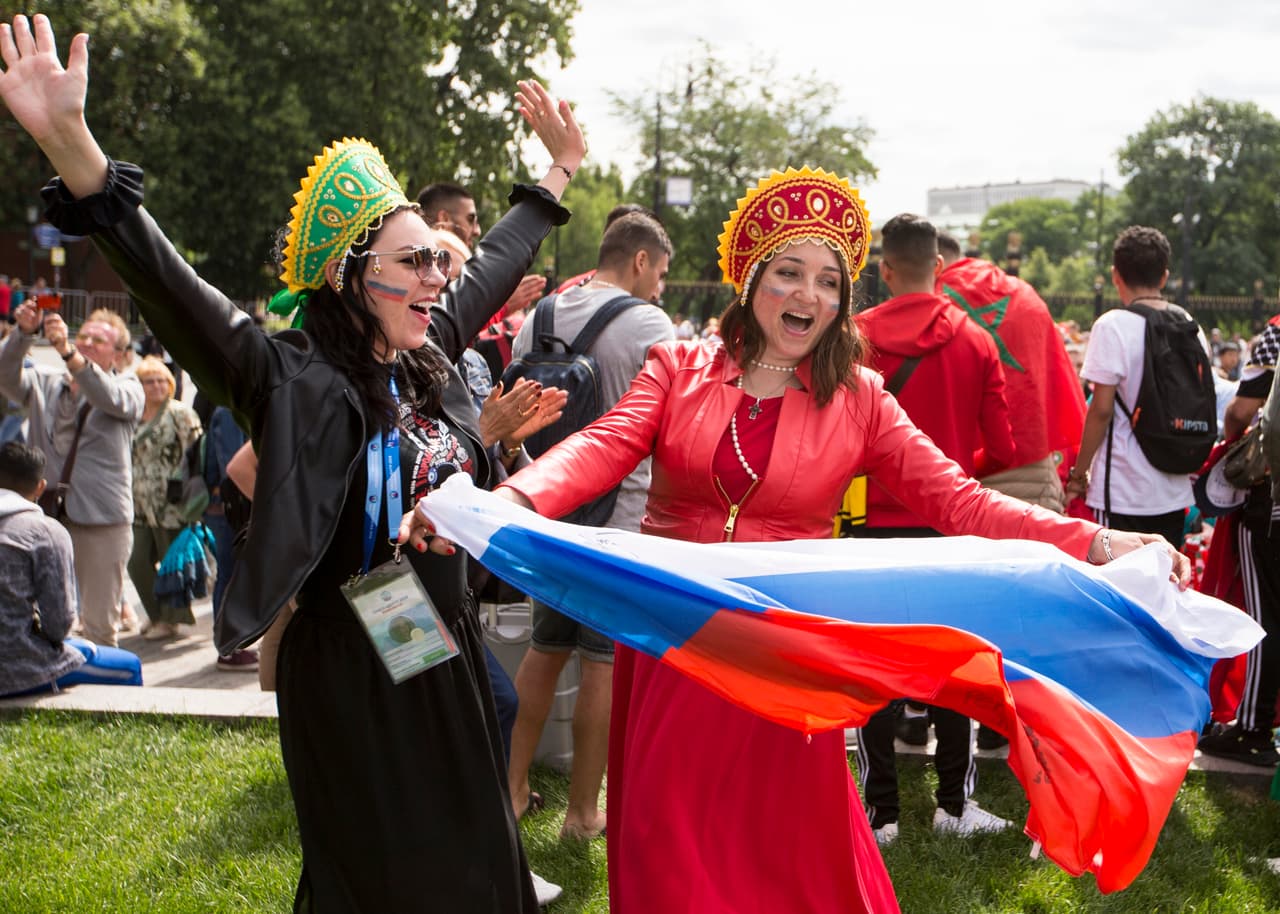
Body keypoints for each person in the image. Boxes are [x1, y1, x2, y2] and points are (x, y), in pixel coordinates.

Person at [406, 166, 1190, 913]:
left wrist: (1093, 543)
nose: (808, 294)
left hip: (783, 660)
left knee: (788, 856)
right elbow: (600, 447)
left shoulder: (860, 398)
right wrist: (499, 503)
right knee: (668, 845)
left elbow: (960, 502)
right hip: (676, 645)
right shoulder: (677, 367)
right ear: (749, 282)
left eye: (828, 280)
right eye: (789, 272)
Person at [0, 14, 583, 911]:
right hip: (350, 653)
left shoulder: (424, 357)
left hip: (438, 636)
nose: (439, 275)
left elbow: (499, 262)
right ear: (353, 274)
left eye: (438, 258)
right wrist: (70, 140)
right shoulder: (287, 373)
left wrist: (557, 173)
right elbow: (166, 281)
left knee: (474, 852)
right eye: (417, 259)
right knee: (382, 870)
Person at [505, 212, 675, 840]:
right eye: (658, 271)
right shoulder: (648, 324)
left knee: (545, 650)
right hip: (620, 518)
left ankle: (513, 789)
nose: (658, 285)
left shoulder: (538, 318)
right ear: (638, 261)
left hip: (547, 508)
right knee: (602, 661)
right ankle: (582, 814)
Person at [854, 213, 1016, 845]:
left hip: (870, 522)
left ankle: (882, 811)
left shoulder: (855, 337)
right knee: (954, 666)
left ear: (885, 269)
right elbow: (1002, 448)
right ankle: (953, 805)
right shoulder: (976, 341)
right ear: (939, 268)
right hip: (950, 523)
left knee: (873, 667)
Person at [0, 298, 143, 648]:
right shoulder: (44, 382)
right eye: (85, 337)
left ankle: (105, 699)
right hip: (42, 514)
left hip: (101, 520)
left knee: (98, 624)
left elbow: (105, 395)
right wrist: (23, 332)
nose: (88, 344)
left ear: (119, 355)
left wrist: (68, 354)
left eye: (99, 341)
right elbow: (4, 375)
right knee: (41, 616)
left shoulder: (129, 388)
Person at [1065, 226, 1204, 547]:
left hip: (1122, 489)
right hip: (1172, 487)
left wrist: (1078, 475)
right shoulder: (1187, 323)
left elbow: (1100, 411)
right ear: (1164, 276)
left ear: (1116, 276)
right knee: (1166, 581)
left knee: (1119, 585)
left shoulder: (1112, 325)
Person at [1198, 317, 1280, 766]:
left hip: (1271, 500)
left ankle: (1253, 728)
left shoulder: (1276, 331)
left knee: (1266, 616)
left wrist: (1232, 445)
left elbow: (1242, 411)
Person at [0, 441, 141, 696]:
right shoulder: (46, 532)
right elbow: (59, 625)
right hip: (20, 670)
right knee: (129, 666)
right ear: (41, 487)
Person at [127, 356, 202, 640]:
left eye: (161, 380)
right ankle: (156, 613)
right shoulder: (133, 413)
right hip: (139, 502)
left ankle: (171, 620)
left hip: (172, 502)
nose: (156, 386)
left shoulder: (180, 413)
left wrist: (192, 495)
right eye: (149, 381)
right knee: (136, 561)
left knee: (173, 563)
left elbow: (196, 454)